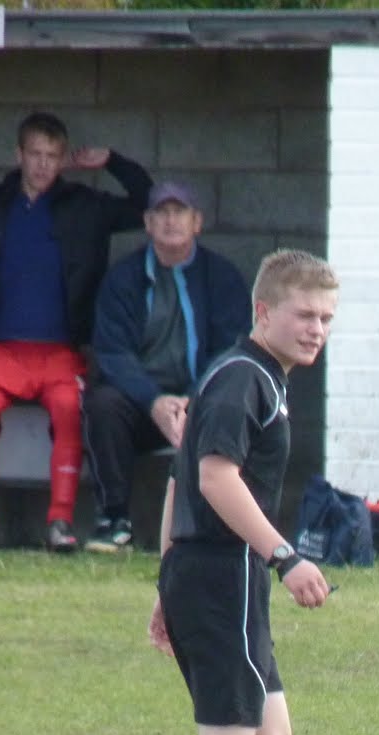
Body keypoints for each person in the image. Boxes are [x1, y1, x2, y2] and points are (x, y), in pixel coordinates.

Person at [38, 249, 338, 735]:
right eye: (304, 314)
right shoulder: (245, 380)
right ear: (265, 312)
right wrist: (285, 556)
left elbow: (178, 477)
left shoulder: (250, 374)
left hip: (203, 575)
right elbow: (213, 478)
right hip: (222, 575)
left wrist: (164, 580)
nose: (316, 328)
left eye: (326, 318)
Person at [0, 111, 153, 552]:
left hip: (61, 352)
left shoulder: (85, 206)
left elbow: (147, 203)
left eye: (52, 156)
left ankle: (60, 524)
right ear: (19, 154)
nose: (42, 164)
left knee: (69, 411)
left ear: (62, 161)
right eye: (34, 154)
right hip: (0, 350)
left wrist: (111, 160)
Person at [82, 180, 250, 553]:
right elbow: (113, 352)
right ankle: (114, 521)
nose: (171, 220)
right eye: (162, 212)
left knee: (235, 405)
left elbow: (231, 349)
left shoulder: (221, 277)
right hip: (143, 405)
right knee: (102, 405)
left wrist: (193, 400)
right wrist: (154, 402)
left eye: (180, 212)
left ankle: (224, 526)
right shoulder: (123, 279)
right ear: (147, 222)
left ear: (197, 222)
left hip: (200, 403)